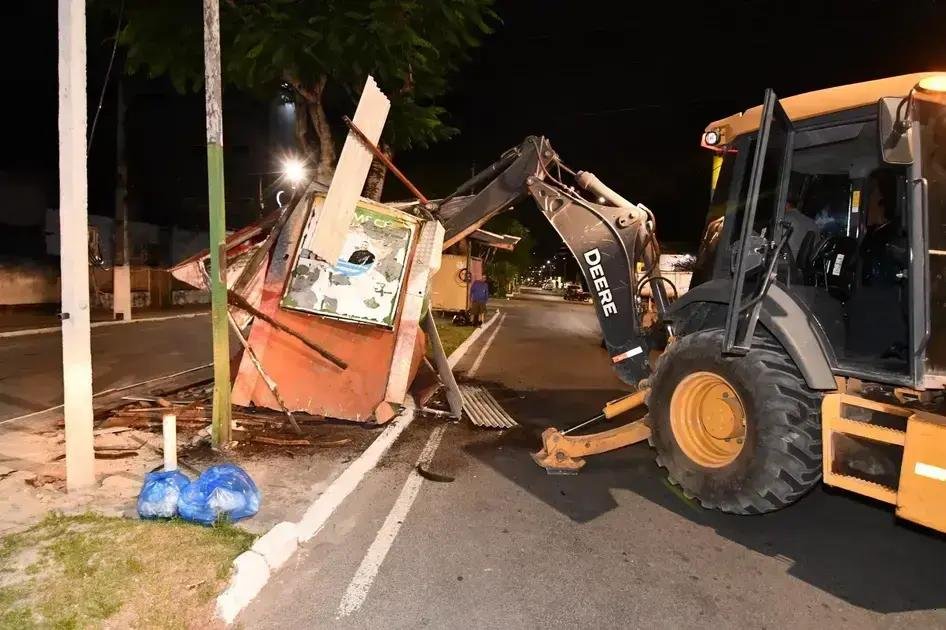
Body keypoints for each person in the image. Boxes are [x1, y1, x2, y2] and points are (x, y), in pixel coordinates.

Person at [782, 195, 818, 263]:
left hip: (785, 266)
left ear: (786, 205)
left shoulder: (783, 220)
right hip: (804, 269)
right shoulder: (812, 223)